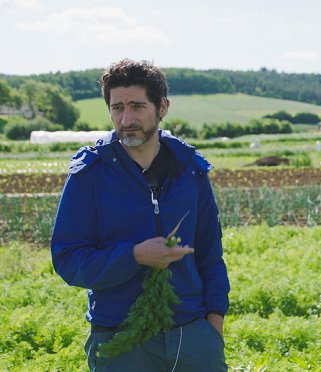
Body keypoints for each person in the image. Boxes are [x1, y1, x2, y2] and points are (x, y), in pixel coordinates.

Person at [51, 59, 230, 371]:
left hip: (191, 336)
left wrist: (212, 326)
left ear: (162, 107)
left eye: (137, 106)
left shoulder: (190, 170)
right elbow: (68, 259)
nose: (126, 119)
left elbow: (210, 253)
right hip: (120, 340)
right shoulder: (90, 175)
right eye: (117, 107)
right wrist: (133, 256)